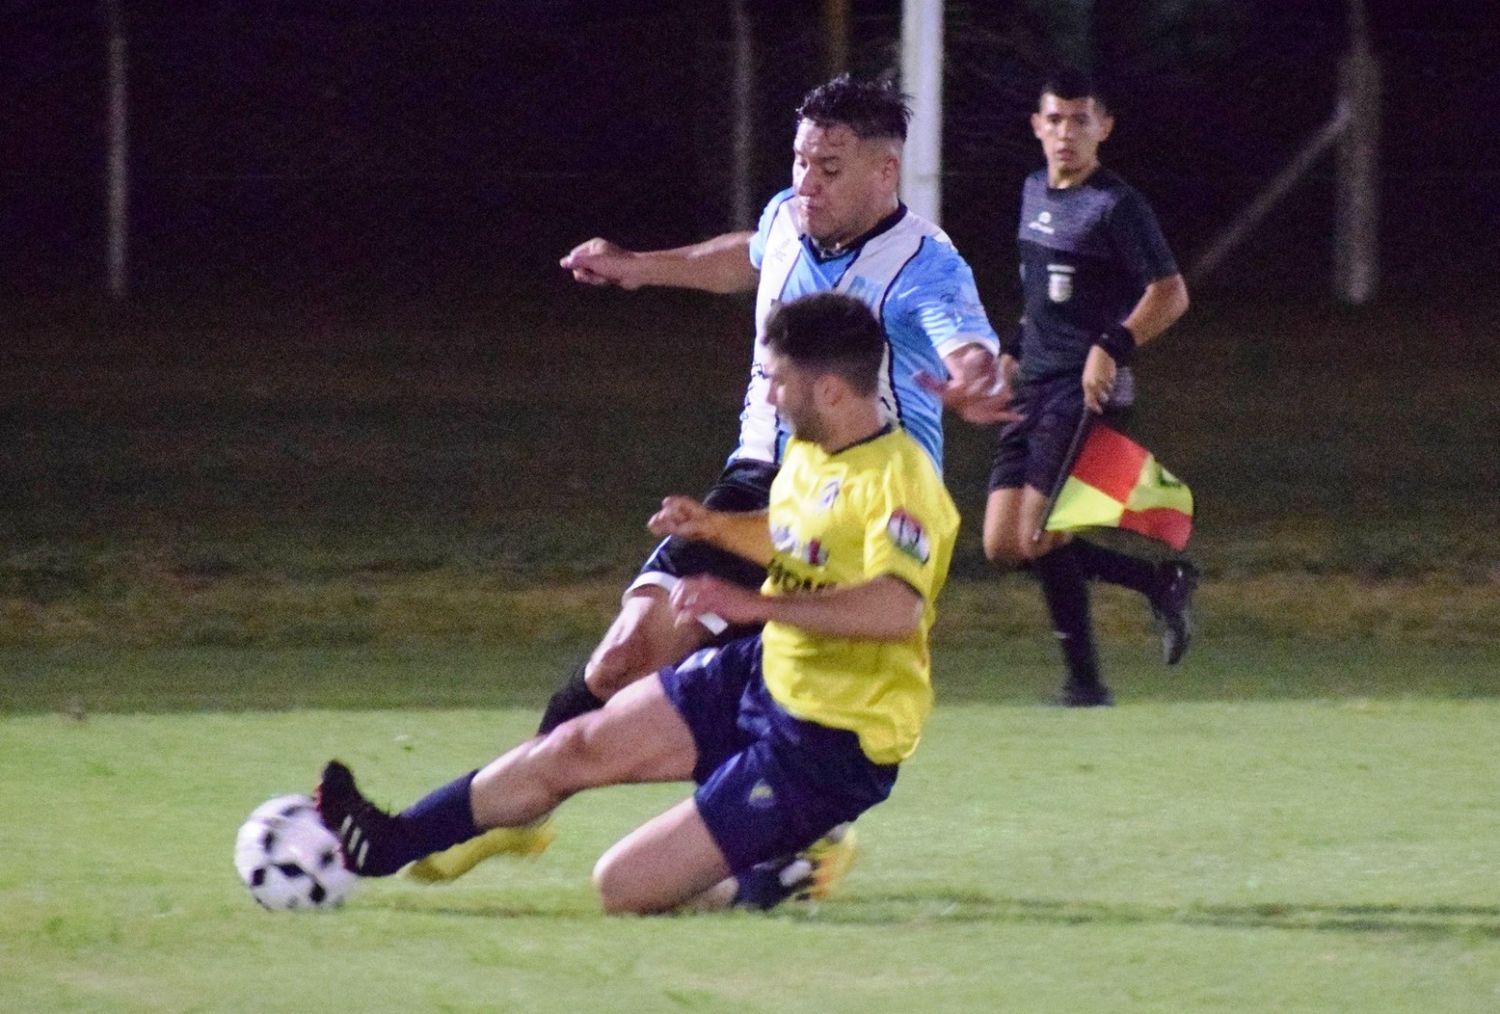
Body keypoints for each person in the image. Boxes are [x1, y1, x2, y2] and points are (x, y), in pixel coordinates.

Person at [402, 75, 1009, 881]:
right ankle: (530, 803)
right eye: (799, 161)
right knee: (631, 655)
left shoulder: (927, 266)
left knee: (767, 692)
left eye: (829, 167)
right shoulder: (791, 218)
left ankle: (783, 840)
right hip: (761, 477)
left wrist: (977, 374)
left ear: (884, 173)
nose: (807, 182)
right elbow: (745, 260)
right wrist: (639, 267)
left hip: (853, 511)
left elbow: (964, 339)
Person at [317, 292, 961, 914]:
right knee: (572, 745)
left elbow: (893, 609)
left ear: (829, 391)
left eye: (779, 382)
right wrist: (711, 527)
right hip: (763, 675)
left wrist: (751, 606)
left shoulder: (900, 483)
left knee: (621, 886)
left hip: (833, 740)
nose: (768, 395)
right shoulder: (811, 454)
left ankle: (778, 879)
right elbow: (800, 537)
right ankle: (386, 843)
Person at [984, 67, 1197, 708]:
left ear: (1104, 128)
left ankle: (1085, 682)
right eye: (1055, 120)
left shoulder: (1116, 205)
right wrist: (1012, 355)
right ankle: (1158, 583)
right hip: (1033, 388)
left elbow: (1171, 293)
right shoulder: (1031, 191)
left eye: (1081, 120)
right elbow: (1039, 300)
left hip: (1086, 393)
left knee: (1038, 534)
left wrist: (1113, 345)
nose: (1066, 133)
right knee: (1002, 545)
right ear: (1037, 127)